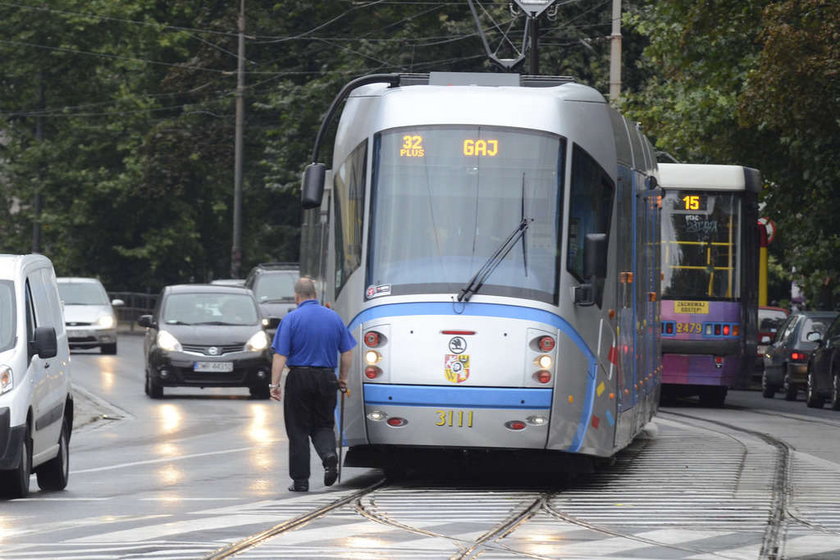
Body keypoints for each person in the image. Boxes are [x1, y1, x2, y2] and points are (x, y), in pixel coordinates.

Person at [269, 276, 356, 492]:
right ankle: (328, 456)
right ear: (315, 295)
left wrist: (274, 384)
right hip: (327, 377)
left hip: (299, 377)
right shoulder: (334, 318)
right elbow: (347, 352)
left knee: (298, 429)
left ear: (296, 296)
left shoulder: (291, 319)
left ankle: (300, 481)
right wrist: (342, 378)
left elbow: (280, 355)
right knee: (324, 424)